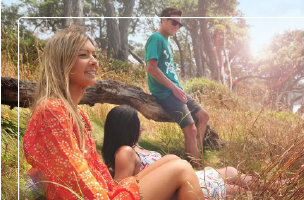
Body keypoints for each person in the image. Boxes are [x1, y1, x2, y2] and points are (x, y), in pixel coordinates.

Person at [23, 26, 205, 200]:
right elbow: (74, 177)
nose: (94, 61)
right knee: (181, 169)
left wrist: (114, 189)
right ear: (62, 62)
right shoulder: (53, 110)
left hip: (104, 191)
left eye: (94, 54)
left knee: (171, 159)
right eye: (83, 55)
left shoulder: (76, 112)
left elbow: (96, 167)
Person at [102, 106, 263, 199]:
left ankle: (280, 185)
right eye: (138, 125)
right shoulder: (124, 152)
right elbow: (123, 189)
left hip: (186, 177)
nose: (141, 128)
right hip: (179, 187)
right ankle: (276, 188)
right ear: (127, 128)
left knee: (231, 172)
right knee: (238, 190)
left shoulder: (134, 147)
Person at [145, 7, 209, 168]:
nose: (176, 26)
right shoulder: (156, 38)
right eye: (174, 22)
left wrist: (177, 88)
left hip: (176, 91)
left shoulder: (167, 41)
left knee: (203, 116)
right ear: (164, 20)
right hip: (165, 92)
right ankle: (196, 169)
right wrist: (174, 88)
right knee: (191, 129)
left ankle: (198, 154)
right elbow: (151, 68)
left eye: (179, 24)